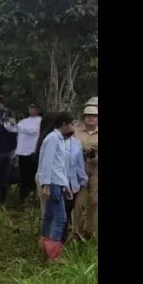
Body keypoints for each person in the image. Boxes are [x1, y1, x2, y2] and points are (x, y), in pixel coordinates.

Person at [37, 111, 75, 261]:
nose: (73, 127)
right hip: (52, 182)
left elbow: (60, 166)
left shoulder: (59, 139)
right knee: (60, 218)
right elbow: (47, 163)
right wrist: (46, 184)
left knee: (49, 215)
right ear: (64, 124)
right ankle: (54, 254)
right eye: (71, 124)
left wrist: (66, 186)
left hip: (57, 182)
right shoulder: (53, 138)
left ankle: (45, 244)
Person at [71, 105, 98, 239]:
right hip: (79, 171)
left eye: (93, 116)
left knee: (95, 200)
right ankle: (75, 231)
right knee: (78, 202)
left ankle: (90, 230)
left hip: (96, 170)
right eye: (88, 116)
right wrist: (82, 147)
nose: (91, 118)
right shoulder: (76, 131)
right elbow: (68, 145)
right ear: (84, 117)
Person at [16, 103, 42, 203]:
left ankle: (33, 194)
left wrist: (19, 126)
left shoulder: (40, 121)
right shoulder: (23, 121)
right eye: (30, 107)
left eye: (34, 108)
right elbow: (14, 129)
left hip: (32, 152)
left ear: (38, 110)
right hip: (21, 151)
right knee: (23, 175)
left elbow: (34, 131)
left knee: (32, 174)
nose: (31, 110)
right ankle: (24, 195)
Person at [64, 133, 88, 241]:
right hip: (58, 182)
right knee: (59, 212)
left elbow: (79, 164)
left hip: (72, 182)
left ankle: (70, 233)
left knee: (69, 209)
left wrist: (83, 179)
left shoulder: (76, 142)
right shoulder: (54, 140)